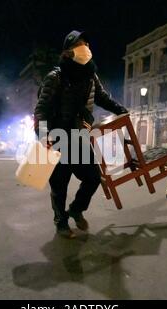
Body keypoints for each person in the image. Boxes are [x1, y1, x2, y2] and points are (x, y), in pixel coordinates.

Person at [34, 30, 129, 239]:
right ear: (68, 51)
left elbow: (102, 98)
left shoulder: (91, 75)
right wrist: (43, 136)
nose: (85, 47)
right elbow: (41, 109)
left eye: (86, 42)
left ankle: (76, 209)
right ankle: (61, 222)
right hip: (58, 137)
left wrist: (121, 110)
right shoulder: (55, 77)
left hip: (79, 137)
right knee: (60, 185)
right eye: (79, 44)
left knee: (93, 178)